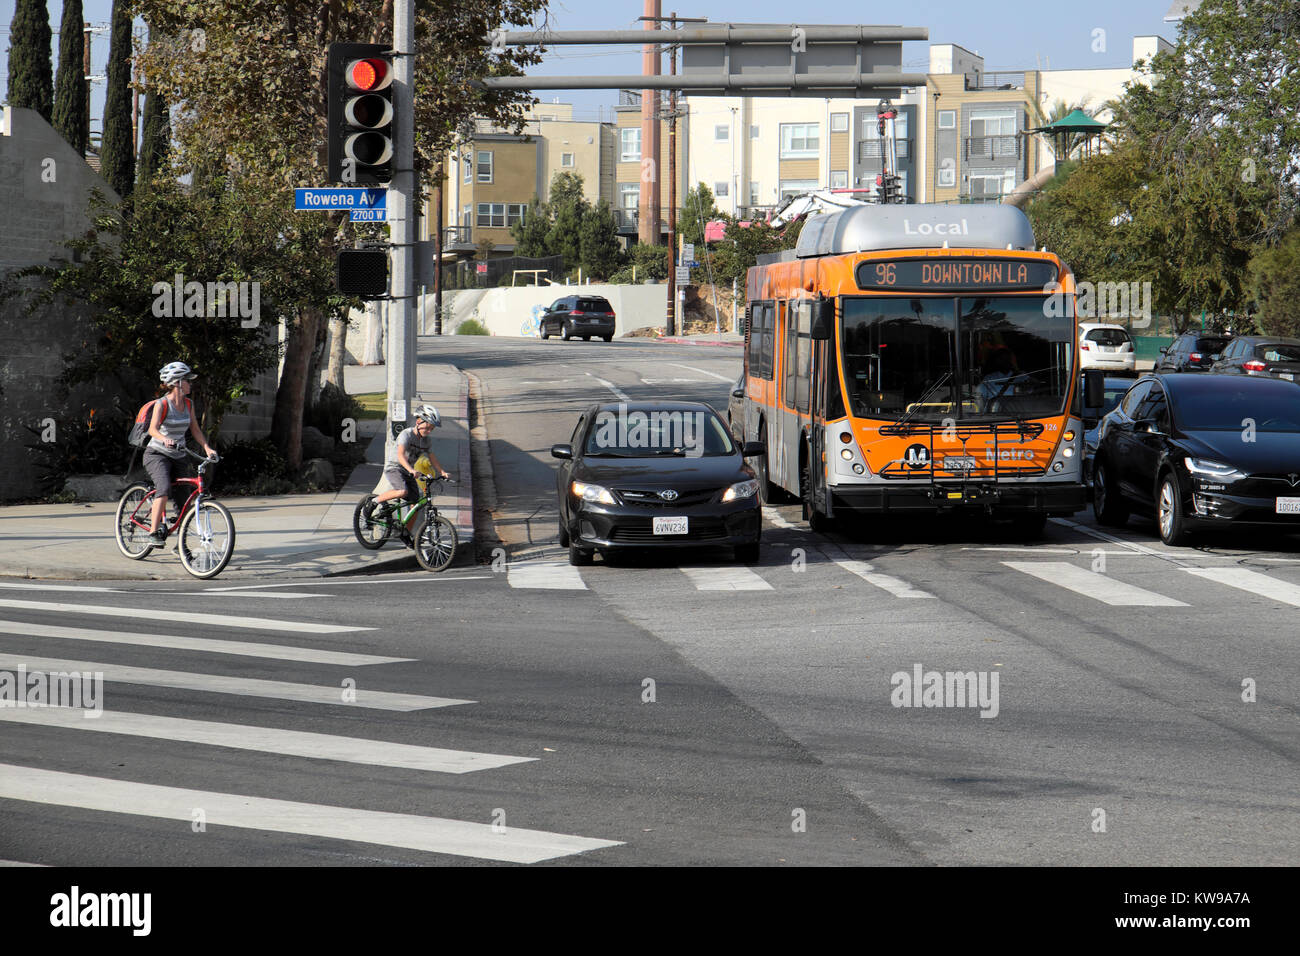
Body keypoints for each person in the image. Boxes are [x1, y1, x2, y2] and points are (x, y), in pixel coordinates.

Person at [144, 362, 217, 546]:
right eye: (187, 381)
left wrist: (207, 447)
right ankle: (153, 532)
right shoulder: (162, 404)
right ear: (177, 383)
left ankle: (181, 546)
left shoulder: (188, 403)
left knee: (184, 500)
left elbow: (195, 429)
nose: (190, 384)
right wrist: (164, 438)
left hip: (179, 455)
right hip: (157, 454)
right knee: (164, 488)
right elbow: (152, 430)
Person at [367, 404, 450, 516]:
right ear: (418, 422)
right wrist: (411, 470)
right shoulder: (406, 435)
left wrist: (442, 472)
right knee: (402, 491)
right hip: (394, 468)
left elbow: (432, 457)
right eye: (428, 427)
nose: (429, 431)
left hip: (408, 471)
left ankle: (406, 531)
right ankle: (373, 502)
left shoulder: (426, 441)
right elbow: (400, 455)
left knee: (416, 504)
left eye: (432, 429)